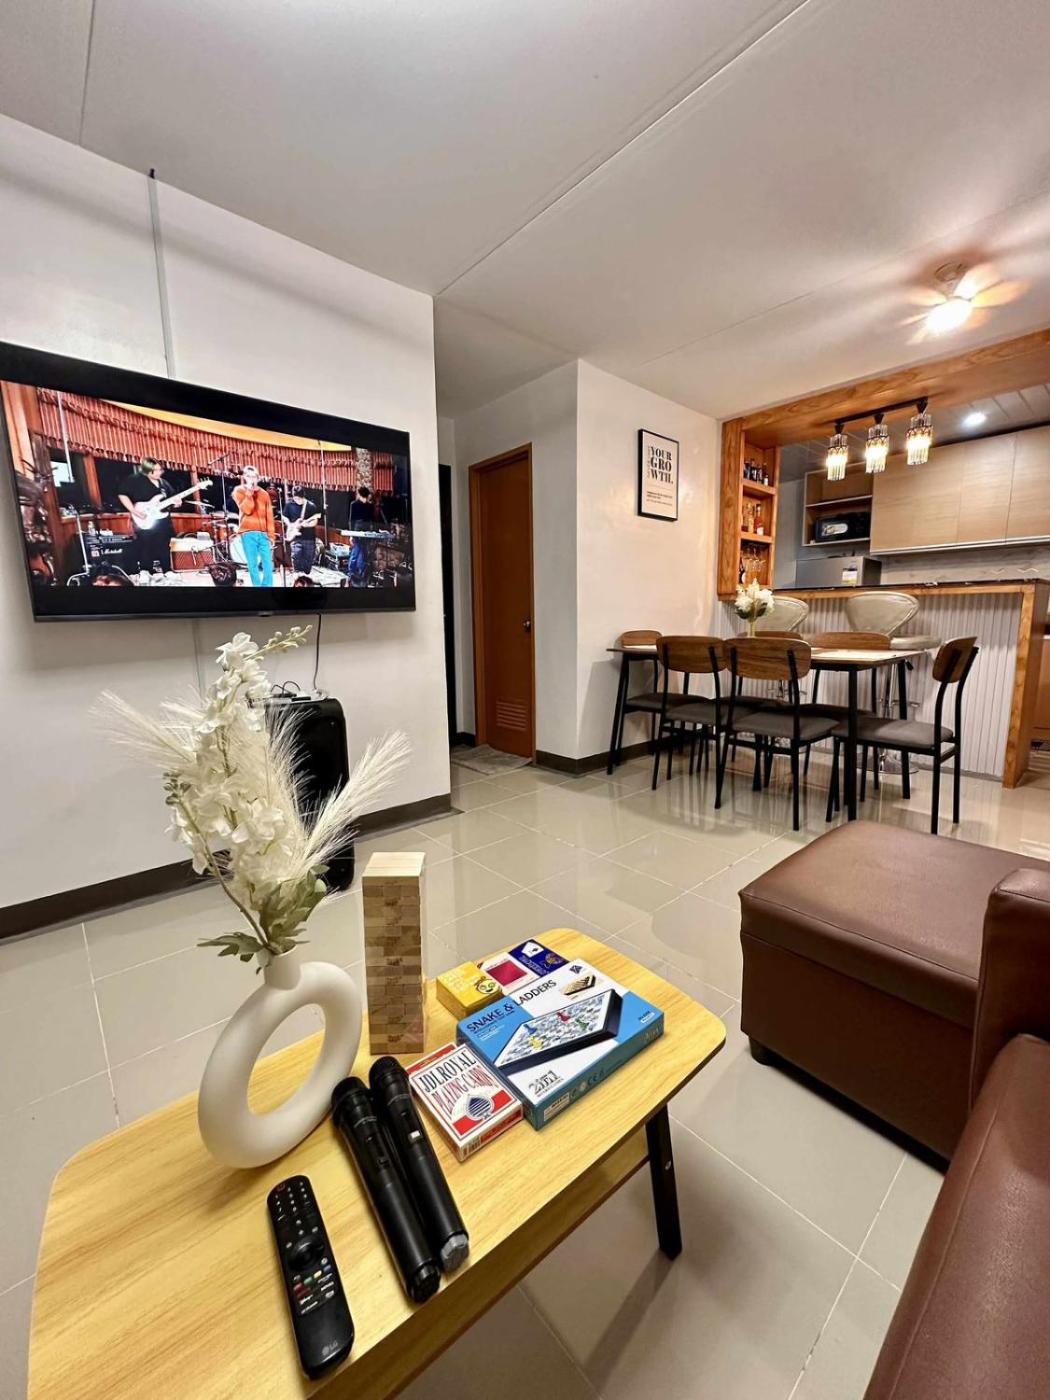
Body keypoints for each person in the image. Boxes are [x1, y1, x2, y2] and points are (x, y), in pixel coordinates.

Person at [117, 459, 173, 577]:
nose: (159, 473)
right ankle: (145, 571)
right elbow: (122, 494)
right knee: (146, 545)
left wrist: (177, 502)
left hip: (162, 519)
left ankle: (167, 570)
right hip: (144, 517)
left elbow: (172, 498)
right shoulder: (135, 480)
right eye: (155, 470)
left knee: (164, 545)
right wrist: (134, 511)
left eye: (160, 470)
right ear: (147, 471)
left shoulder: (164, 483)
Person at [232, 466, 275, 586]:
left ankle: (267, 587)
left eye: (254, 476)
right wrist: (249, 492)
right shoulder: (239, 491)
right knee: (252, 563)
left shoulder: (265, 494)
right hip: (248, 532)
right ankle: (257, 587)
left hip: (263, 533)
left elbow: (269, 516)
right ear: (245, 477)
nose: (252, 479)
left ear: (258, 478)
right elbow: (247, 509)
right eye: (249, 476)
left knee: (268, 563)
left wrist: (271, 536)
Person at [348, 485, 385, 586]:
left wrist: (376, 532)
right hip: (357, 530)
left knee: (365, 554)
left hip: (367, 531)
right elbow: (351, 520)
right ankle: (351, 574)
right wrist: (351, 534)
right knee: (355, 552)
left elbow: (373, 520)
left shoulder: (370, 506)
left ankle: (362, 576)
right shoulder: (354, 504)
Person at [282, 487, 321, 576]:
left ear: (303, 496)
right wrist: (290, 525)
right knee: (296, 555)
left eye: (299, 498)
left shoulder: (311, 506)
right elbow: (285, 517)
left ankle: (306, 577)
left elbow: (315, 521)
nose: (297, 500)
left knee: (309, 560)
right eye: (295, 498)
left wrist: (305, 525)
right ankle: (297, 576)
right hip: (295, 537)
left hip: (309, 538)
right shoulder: (289, 505)